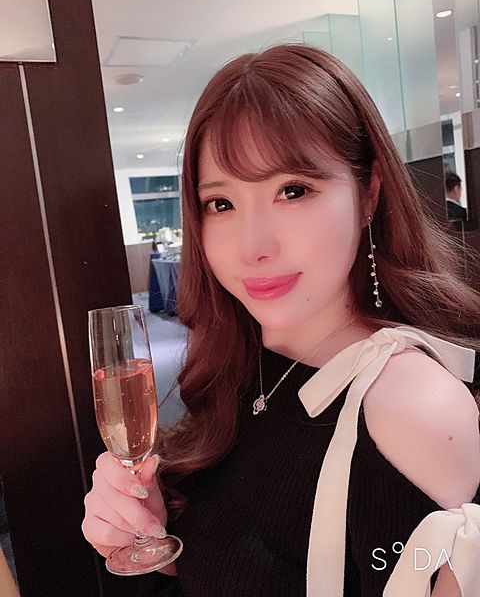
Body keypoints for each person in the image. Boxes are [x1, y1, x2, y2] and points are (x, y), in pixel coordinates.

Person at [82, 44, 480, 596]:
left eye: (293, 191)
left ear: (368, 193)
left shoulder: (407, 408)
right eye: (221, 203)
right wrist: (155, 530)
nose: (253, 246)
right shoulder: (243, 361)